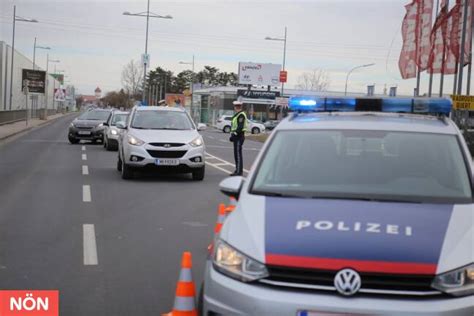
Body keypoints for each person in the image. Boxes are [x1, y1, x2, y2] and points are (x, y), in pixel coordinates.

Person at [229, 100, 248, 176]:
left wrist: (234, 135)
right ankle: (237, 169)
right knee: (236, 154)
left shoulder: (241, 115)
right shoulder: (237, 115)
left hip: (239, 136)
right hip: (236, 136)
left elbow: (240, 127)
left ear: (236, 107)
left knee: (238, 154)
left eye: (235, 106)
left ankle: (239, 171)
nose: (234, 108)